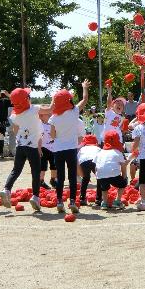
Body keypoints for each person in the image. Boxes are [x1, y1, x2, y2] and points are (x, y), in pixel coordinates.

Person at [48, 79, 91, 214]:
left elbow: (53, 136)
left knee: (60, 177)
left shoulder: (54, 118)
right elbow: (84, 100)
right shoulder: (74, 113)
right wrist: (84, 87)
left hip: (58, 150)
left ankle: (60, 201)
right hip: (71, 149)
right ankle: (72, 201)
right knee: (72, 177)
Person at [0, 88, 43, 211]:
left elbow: (15, 130)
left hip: (21, 146)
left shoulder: (14, 115)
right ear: (27, 99)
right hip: (32, 147)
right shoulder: (34, 109)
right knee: (36, 172)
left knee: (16, 170)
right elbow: (50, 109)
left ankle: (6, 189)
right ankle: (35, 196)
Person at [93, 130, 128, 210]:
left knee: (104, 188)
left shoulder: (100, 152)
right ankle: (118, 201)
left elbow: (95, 166)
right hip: (113, 174)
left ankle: (104, 203)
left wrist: (99, 176)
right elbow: (123, 166)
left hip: (101, 175)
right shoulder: (117, 152)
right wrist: (124, 176)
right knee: (122, 184)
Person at [77, 134, 101, 206]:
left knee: (85, 178)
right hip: (95, 161)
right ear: (95, 142)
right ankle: (98, 199)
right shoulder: (98, 148)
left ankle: (82, 198)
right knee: (99, 178)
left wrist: (82, 174)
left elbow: (77, 162)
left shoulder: (82, 149)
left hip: (84, 161)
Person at [39, 106, 56, 189]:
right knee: (43, 166)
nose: (50, 115)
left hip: (53, 148)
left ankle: (53, 180)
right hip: (43, 148)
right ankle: (41, 181)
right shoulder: (40, 125)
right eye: (48, 114)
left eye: (50, 114)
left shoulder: (53, 124)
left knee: (54, 165)